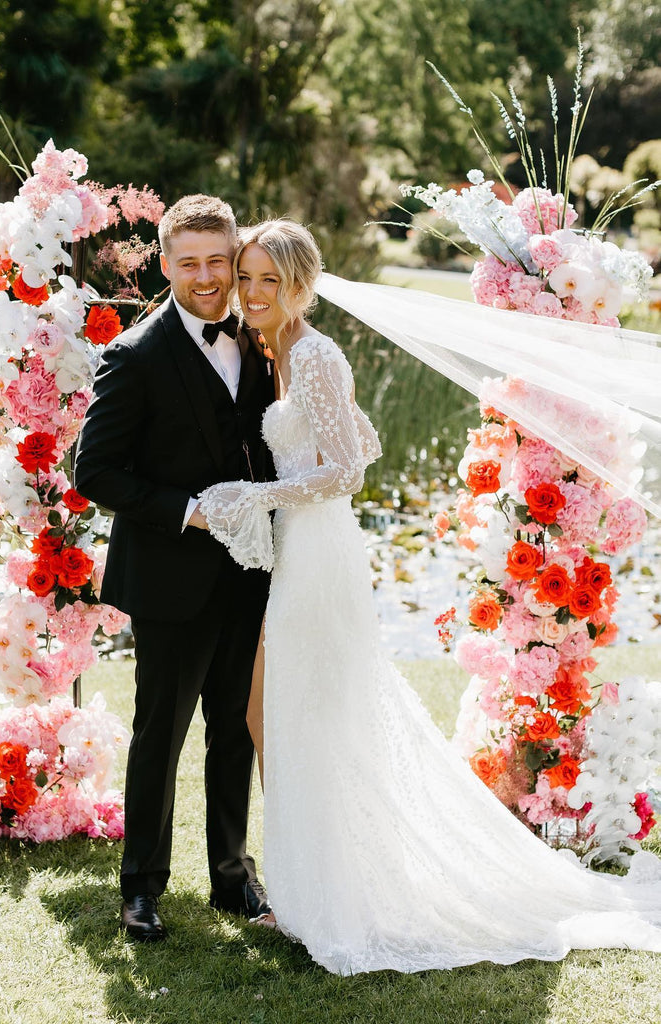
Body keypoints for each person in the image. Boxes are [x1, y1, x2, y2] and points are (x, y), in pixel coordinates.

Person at [196, 218, 661, 975]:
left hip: (317, 554)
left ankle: (326, 894)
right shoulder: (282, 351)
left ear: (298, 285)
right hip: (305, 547)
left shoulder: (312, 353)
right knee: (275, 709)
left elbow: (348, 473)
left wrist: (256, 492)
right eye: (245, 278)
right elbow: (365, 440)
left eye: (264, 280)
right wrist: (287, 477)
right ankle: (311, 879)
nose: (250, 292)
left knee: (298, 710)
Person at [74, 195, 275, 942]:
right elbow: (92, 469)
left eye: (216, 261)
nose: (205, 276)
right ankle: (141, 889)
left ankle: (232, 876)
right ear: (164, 265)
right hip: (168, 576)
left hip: (249, 573)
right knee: (160, 732)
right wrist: (189, 509)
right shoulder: (135, 354)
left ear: (233, 258)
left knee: (236, 728)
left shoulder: (260, 338)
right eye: (187, 263)